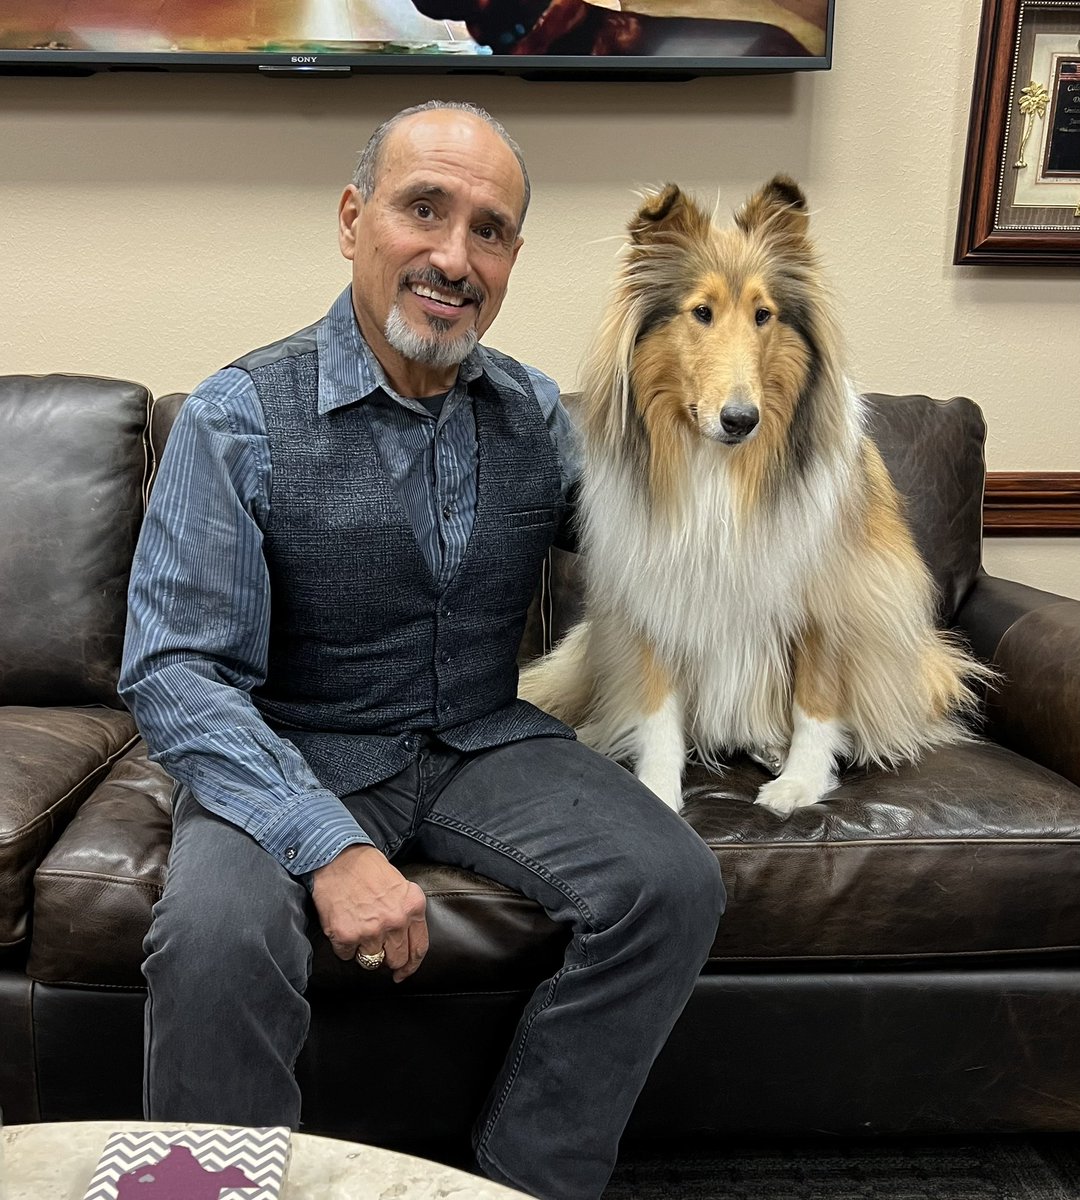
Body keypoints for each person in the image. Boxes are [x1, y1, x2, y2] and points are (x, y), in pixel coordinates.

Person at [119, 99, 725, 1200]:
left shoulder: (538, 415)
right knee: (212, 943)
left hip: (481, 739)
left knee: (672, 883)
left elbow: (661, 541)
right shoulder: (238, 416)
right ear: (355, 220)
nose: (453, 256)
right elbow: (175, 671)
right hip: (291, 748)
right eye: (424, 210)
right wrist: (329, 848)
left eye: (488, 230)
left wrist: (742, 424)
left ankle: (524, 1183)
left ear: (511, 260)